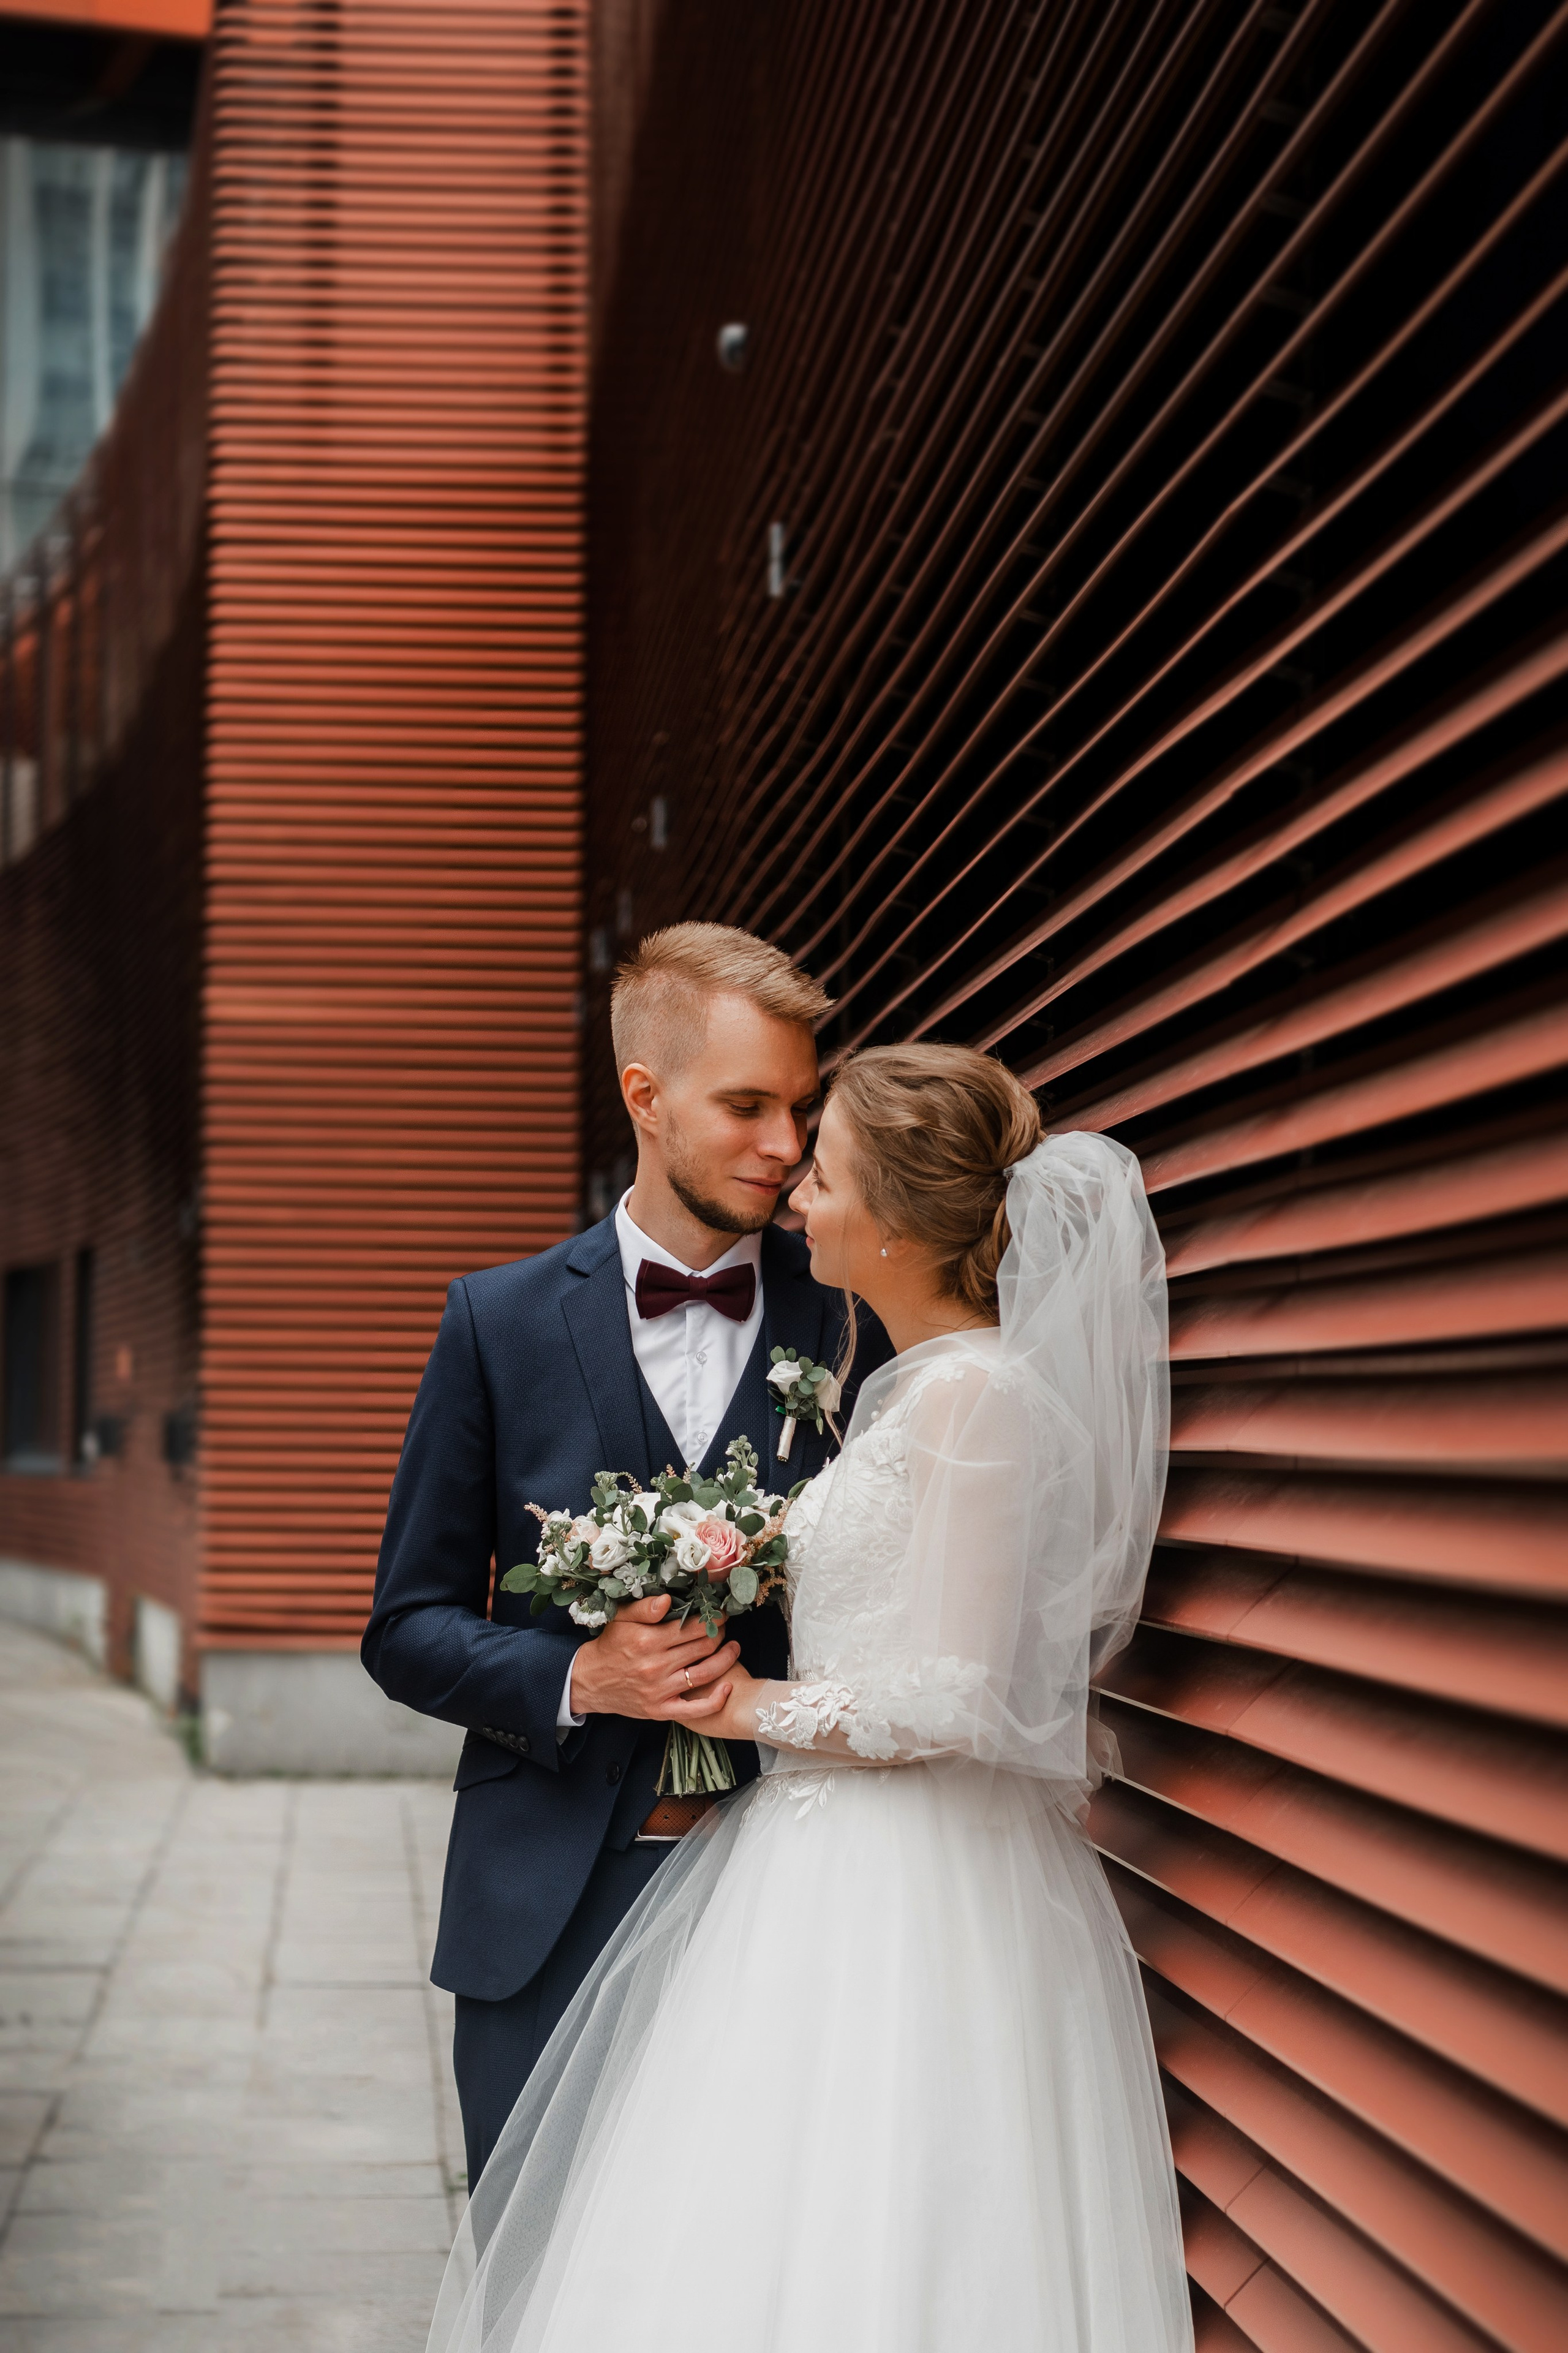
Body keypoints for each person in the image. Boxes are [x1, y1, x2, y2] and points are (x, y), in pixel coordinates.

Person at [424, 1044, 1194, 2353]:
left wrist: (744, 1708)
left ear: (893, 1217)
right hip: (819, 1849)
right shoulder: (913, 1385)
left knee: (886, 2200)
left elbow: (964, 1694)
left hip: (911, 1879)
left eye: (823, 1174)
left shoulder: (975, 1398)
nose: (796, 1196)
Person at [363, 924, 891, 2191]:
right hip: (544, 1902)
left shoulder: (855, 1318)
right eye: (747, 1106)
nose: (786, 1144)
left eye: (801, 1108)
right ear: (645, 1097)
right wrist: (578, 1676)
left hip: (791, 1895)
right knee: (532, 2254)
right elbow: (406, 1626)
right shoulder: (495, 1322)